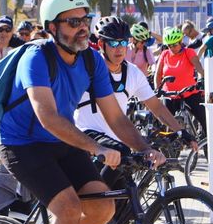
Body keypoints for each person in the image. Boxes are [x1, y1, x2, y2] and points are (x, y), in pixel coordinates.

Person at [0, 0, 163, 224]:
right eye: (73, 23)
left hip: (62, 142)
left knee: (104, 208)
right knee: (70, 209)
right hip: (23, 144)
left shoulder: (90, 60)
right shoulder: (37, 58)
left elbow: (117, 118)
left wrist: (145, 148)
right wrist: (97, 148)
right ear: (51, 27)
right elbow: (48, 117)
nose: (82, 29)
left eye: (85, 20)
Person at [74, 17, 190, 150]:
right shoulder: (87, 67)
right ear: (101, 44)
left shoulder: (132, 72)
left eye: (123, 42)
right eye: (113, 43)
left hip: (117, 145)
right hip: (86, 142)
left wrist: (181, 131)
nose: (119, 49)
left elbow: (157, 107)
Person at [154, 26, 205, 139]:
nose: (172, 47)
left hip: (190, 93)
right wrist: (158, 90)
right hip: (170, 94)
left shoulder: (189, 52)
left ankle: (208, 147)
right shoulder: (165, 54)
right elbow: (157, 74)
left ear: (181, 42)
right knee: (163, 125)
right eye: (169, 45)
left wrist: (203, 79)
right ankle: (168, 151)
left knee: (205, 120)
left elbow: (199, 68)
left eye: (175, 44)